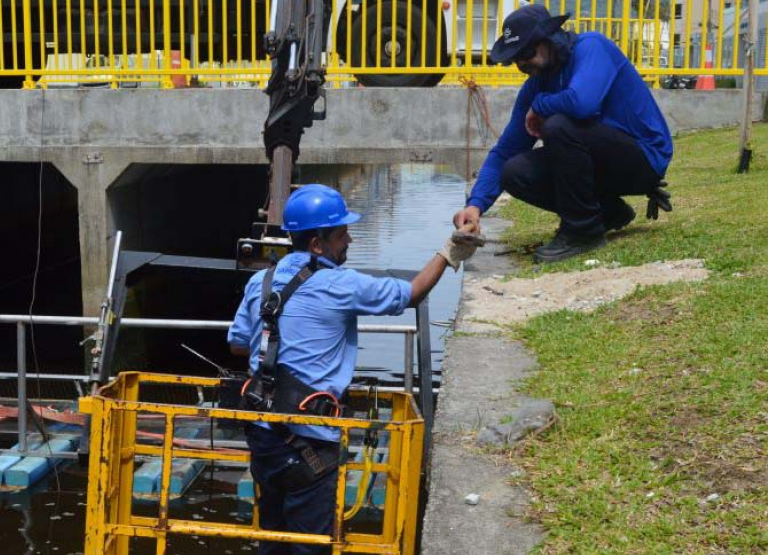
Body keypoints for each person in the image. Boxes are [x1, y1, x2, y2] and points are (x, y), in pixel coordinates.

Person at [227, 184, 475, 554]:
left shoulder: (260, 281)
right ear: (316, 244)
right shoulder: (339, 284)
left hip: (262, 435)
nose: (350, 239)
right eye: (342, 233)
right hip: (310, 439)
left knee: (273, 536)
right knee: (311, 544)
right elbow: (411, 294)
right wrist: (450, 251)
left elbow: (238, 344)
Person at [453, 4, 673, 262]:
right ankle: (606, 213)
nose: (523, 63)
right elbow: (505, 151)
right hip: (598, 165)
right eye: (516, 59)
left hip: (643, 158)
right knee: (514, 171)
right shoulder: (536, 85)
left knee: (557, 124)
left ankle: (583, 232)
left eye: (527, 52)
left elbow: (582, 103)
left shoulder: (592, 47)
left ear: (547, 40)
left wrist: (539, 106)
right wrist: (475, 205)